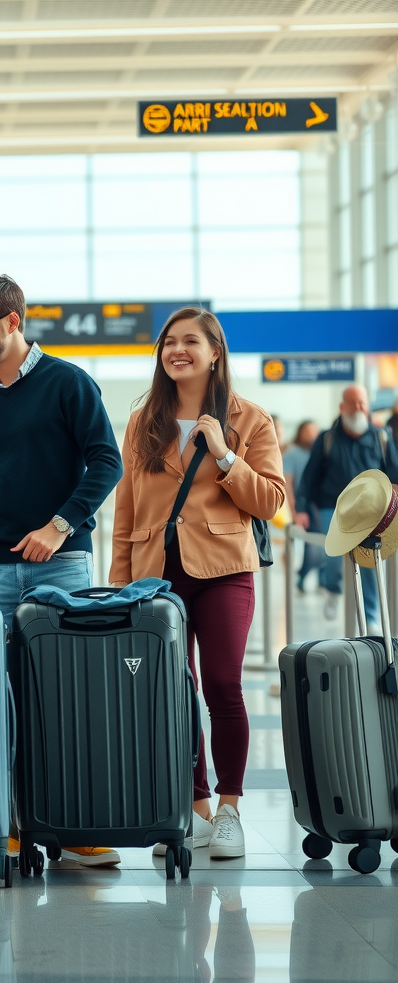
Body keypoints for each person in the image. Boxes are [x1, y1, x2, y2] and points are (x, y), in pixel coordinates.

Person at [0, 273, 123, 871]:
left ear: (13, 321)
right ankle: (6, 827)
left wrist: (60, 525)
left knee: (64, 694)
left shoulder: (67, 382)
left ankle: (70, 826)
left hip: (64, 563)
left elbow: (107, 461)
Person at [110, 307, 285, 860]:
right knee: (172, 690)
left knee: (222, 685)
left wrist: (227, 455)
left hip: (224, 569)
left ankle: (230, 807)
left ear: (215, 352)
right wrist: (120, 583)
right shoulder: (144, 422)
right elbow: (127, 507)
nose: (176, 350)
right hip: (155, 574)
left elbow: (272, 501)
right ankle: (195, 808)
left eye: (190, 342)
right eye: (168, 343)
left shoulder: (249, 418)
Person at [295, 385, 398, 631]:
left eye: (363, 403)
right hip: (333, 507)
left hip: (371, 511)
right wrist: (300, 509)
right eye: (353, 403)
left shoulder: (381, 436)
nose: (359, 408)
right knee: (333, 556)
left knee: (370, 559)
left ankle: (370, 615)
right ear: (342, 407)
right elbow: (309, 477)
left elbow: (393, 473)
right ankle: (333, 588)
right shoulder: (326, 438)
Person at [282, 420, 323, 593]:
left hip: (321, 504)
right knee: (314, 543)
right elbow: (288, 484)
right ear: (300, 432)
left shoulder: (321, 452)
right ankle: (303, 575)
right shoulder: (292, 454)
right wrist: (294, 511)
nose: (312, 434)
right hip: (303, 504)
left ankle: (319, 579)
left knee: (321, 543)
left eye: (315, 431)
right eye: (308, 431)